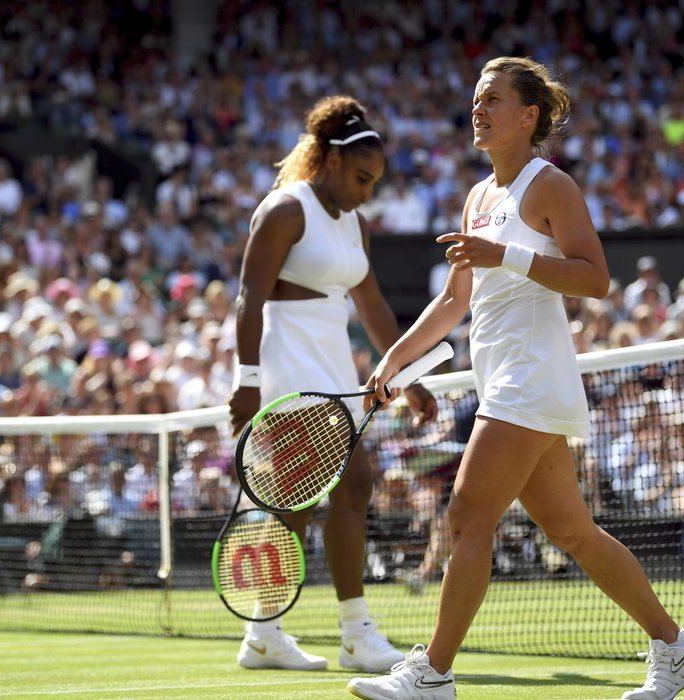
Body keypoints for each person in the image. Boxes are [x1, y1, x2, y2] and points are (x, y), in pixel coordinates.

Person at [347, 58, 684, 700]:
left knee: (466, 514)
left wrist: (506, 255)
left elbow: (595, 279)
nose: (477, 110)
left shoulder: (551, 186)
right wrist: (393, 360)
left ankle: (433, 673)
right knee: (571, 531)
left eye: (492, 99)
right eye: (475, 100)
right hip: (504, 380)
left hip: (532, 376)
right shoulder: (478, 196)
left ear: (529, 116)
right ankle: (675, 646)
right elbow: (453, 302)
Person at [229, 95, 438, 673]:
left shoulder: (357, 226)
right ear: (329, 161)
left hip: (332, 367)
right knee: (353, 484)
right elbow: (248, 300)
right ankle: (356, 634)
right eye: (362, 178)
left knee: (293, 507)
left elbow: (371, 307)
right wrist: (246, 384)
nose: (367, 191)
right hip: (285, 365)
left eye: (375, 182)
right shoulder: (285, 211)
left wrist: (406, 374)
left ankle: (263, 634)